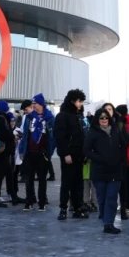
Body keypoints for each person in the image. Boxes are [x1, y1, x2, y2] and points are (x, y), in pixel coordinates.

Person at [85, 108, 128, 233]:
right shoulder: (92, 132)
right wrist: (99, 158)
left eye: (106, 118)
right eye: (101, 118)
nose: (104, 120)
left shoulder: (116, 130)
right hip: (99, 170)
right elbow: (86, 150)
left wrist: (120, 159)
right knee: (102, 197)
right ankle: (105, 218)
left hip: (115, 170)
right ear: (97, 119)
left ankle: (109, 223)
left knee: (112, 197)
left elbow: (124, 145)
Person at [53, 89, 87, 221]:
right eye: (79, 101)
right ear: (73, 101)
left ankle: (77, 207)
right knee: (67, 182)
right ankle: (63, 208)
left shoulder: (79, 116)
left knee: (78, 182)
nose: (81, 104)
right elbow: (60, 137)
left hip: (79, 154)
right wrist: (65, 153)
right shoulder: (62, 116)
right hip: (69, 155)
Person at [17, 93, 52, 211]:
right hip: (29, 152)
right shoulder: (28, 117)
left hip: (42, 153)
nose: (33, 106)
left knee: (42, 179)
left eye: (35, 103)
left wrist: (49, 152)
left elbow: (53, 137)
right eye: (32, 104)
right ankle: (29, 201)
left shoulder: (49, 117)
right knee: (29, 178)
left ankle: (42, 202)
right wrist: (22, 150)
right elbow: (25, 135)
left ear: (41, 104)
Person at [0, 101, 19, 208]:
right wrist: (12, 136)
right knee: (0, 174)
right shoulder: (1, 118)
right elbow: (2, 134)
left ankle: (13, 195)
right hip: (2, 151)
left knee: (8, 173)